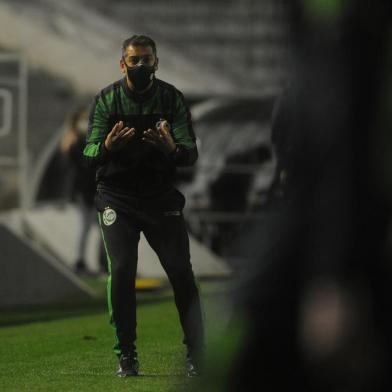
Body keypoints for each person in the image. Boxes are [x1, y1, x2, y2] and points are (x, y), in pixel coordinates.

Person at [83, 34, 204, 378]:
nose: (140, 66)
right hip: (116, 197)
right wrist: (106, 145)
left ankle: (197, 354)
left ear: (156, 62)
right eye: (133, 60)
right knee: (121, 271)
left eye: (146, 59)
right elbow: (89, 155)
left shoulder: (172, 99)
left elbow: (191, 153)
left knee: (181, 272)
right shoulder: (106, 100)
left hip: (160, 197)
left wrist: (172, 150)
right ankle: (126, 356)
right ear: (122, 64)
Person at [60, 106, 108, 276]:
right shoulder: (74, 141)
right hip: (84, 191)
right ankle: (81, 262)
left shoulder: (81, 140)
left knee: (96, 227)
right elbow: (81, 169)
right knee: (88, 227)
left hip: (89, 190)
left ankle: (97, 263)